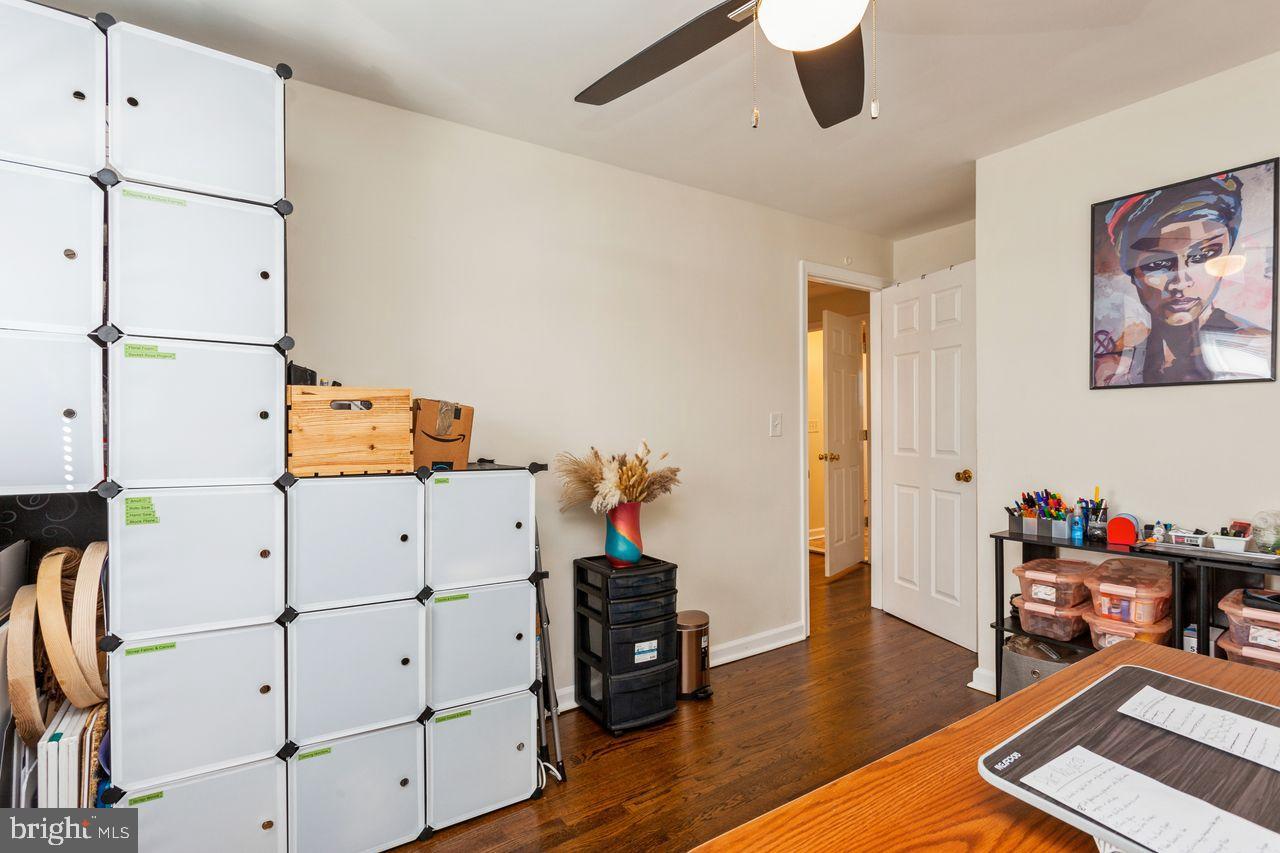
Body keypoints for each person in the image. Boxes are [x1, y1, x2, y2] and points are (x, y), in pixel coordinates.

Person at [1095, 172, 1271, 386]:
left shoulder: (1259, 348)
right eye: (1158, 264)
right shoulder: (1114, 369)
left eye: (1201, 257)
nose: (1180, 282)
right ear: (1131, 271)